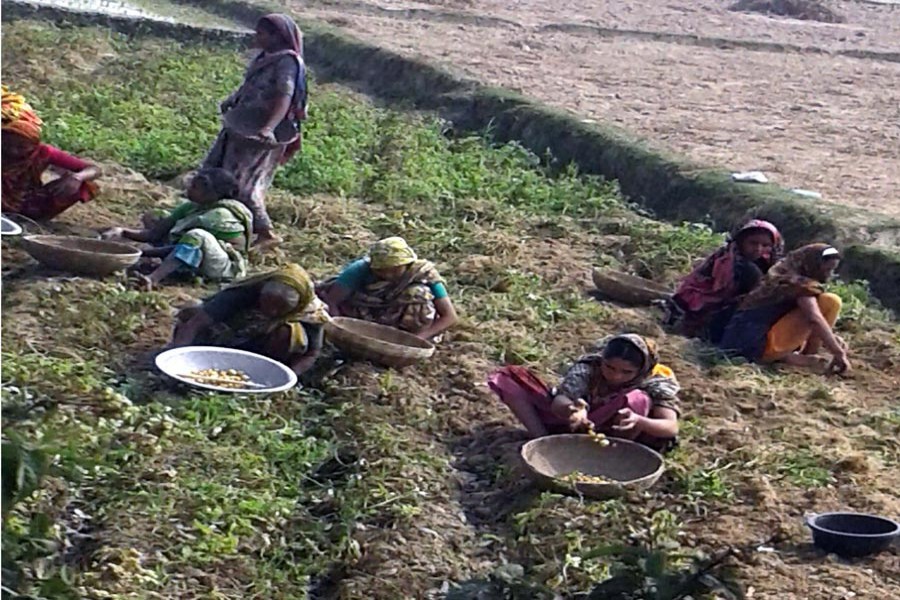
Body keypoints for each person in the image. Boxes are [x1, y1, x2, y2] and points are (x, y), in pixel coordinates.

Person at [201, 13, 308, 249]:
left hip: (261, 133)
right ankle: (218, 222)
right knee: (216, 172)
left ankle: (265, 231)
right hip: (243, 123)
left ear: (276, 36)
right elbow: (252, 86)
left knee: (245, 184)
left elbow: (285, 97)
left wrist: (268, 128)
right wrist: (233, 99)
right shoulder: (266, 57)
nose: (256, 37)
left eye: (262, 33)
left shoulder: (286, 62)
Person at [488, 334, 680, 451]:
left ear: (641, 370)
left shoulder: (654, 382)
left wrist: (638, 421)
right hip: (567, 424)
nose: (615, 376)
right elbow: (560, 401)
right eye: (610, 367)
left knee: (639, 399)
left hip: (611, 432)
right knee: (509, 377)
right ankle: (543, 441)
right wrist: (573, 409)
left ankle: (612, 453)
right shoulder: (588, 369)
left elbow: (670, 426)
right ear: (602, 359)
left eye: (626, 372)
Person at [102, 168, 252, 289]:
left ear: (212, 194)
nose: (189, 189)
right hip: (187, 250)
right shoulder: (193, 207)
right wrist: (122, 231)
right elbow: (155, 234)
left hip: (221, 267)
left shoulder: (219, 216)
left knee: (195, 235)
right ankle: (174, 267)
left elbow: (184, 246)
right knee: (155, 215)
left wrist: (138, 253)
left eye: (195, 188)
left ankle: (154, 278)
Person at [171, 264, 330, 377]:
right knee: (192, 311)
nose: (271, 311)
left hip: (267, 350)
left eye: (281, 308)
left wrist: (290, 376)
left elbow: (312, 353)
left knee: (287, 332)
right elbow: (196, 323)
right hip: (229, 339)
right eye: (267, 303)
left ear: (297, 305)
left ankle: (263, 370)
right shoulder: (244, 292)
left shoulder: (310, 312)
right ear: (261, 292)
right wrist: (177, 356)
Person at [718, 243, 850, 373]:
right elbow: (814, 318)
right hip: (753, 345)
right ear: (813, 264)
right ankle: (784, 357)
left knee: (827, 301)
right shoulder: (797, 283)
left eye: (832, 270)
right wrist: (838, 352)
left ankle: (801, 354)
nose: (829, 275)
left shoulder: (784, 272)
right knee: (829, 302)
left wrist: (830, 339)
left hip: (741, 340)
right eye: (826, 270)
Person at [665, 219, 783, 342]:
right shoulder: (735, 264)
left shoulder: (764, 262)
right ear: (741, 242)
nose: (758, 249)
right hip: (702, 306)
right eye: (753, 243)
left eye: (765, 245)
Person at [318, 237, 458, 340]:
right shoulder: (359, 270)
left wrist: (417, 339)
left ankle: (403, 332)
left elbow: (449, 316)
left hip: (403, 318)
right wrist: (340, 327)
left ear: (407, 264)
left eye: (395, 270)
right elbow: (332, 300)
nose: (387, 275)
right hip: (365, 313)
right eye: (381, 270)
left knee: (419, 293)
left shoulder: (423, 273)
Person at [2, 85, 101, 221]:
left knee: (83, 185)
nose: (15, 151)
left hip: (25, 201)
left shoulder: (43, 152)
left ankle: (34, 219)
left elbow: (94, 169)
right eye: (10, 145)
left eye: (22, 147)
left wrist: (76, 178)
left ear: (34, 145)